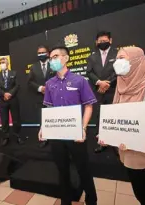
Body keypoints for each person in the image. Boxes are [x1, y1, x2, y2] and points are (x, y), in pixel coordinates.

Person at [99, 47, 145, 205]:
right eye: (117, 58)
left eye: (123, 58)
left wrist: (132, 136)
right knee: (141, 196)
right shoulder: (120, 88)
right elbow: (118, 122)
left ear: (137, 62)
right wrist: (108, 134)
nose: (118, 62)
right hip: (128, 157)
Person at [39, 46, 97, 205]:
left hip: (76, 133)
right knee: (62, 170)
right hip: (57, 134)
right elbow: (48, 108)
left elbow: (89, 106)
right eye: (51, 58)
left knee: (83, 169)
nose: (52, 60)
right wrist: (43, 127)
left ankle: (92, 200)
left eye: (56, 56)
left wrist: (83, 128)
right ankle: (66, 200)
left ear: (66, 58)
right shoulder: (49, 84)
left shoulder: (79, 80)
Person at [86, 31, 117, 153]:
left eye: (105, 40)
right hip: (98, 91)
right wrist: (99, 82)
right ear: (96, 42)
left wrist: (107, 83)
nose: (102, 42)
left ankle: (115, 143)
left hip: (113, 91)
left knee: (114, 117)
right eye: (100, 41)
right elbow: (89, 72)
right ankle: (102, 142)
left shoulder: (117, 53)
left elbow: (118, 71)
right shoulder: (92, 57)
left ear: (110, 41)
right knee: (100, 117)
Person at [28, 45, 55, 148]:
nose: (41, 54)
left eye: (43, 52)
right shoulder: (33, 67)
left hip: (53, 97)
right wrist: (40, 88)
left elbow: (59, 77)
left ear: (48, 53)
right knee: (42, 118)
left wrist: (49, 88)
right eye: (39, 53)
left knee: (54, 117)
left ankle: (56, 137)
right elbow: (30, 82)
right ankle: (45, 138)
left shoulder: (54, 64)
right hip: (40, 97)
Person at [0, 57, 23, 146]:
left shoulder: (14, 73)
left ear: (7, 63)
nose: (2, 64)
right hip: (2, 100)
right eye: (0, 62)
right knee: (4, 120)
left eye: (3, 62)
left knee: (16, 119)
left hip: (13, 99)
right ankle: (5, 137)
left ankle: (17, 136)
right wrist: (4, 94)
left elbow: (17, 85)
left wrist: (10, 94)